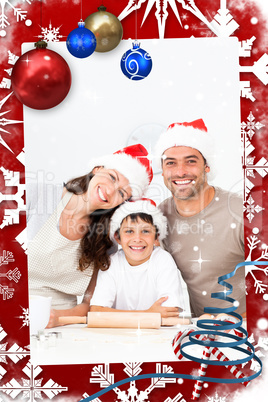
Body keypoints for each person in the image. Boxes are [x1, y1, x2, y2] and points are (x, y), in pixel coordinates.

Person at [27, 144, 153, 322]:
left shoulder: (106, 238)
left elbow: (90, 304)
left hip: (62, 323)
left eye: (121, 193)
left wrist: (57, 318)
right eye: (111, 177)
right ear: (97, 169)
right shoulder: (36, 195)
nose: (110, 191)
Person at [154, 119, 245, 318]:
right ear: (162, 170)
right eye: (171, 163)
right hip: (202, 332)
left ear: (207, 166)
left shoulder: (242, 211)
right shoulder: (159, 217)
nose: (180, 171)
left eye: (191, 161)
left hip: (250, 330)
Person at [90, 199, 184, 318]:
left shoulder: (163, 260)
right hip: (117, 334)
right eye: (129, 231)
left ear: (156, 237)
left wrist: (120, 317)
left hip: (156, 334)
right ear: (118, 237)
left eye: (145, 231)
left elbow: (169, 313)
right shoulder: (112, 263)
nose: (137, 238)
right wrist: (147, 314)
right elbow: (96, 312)